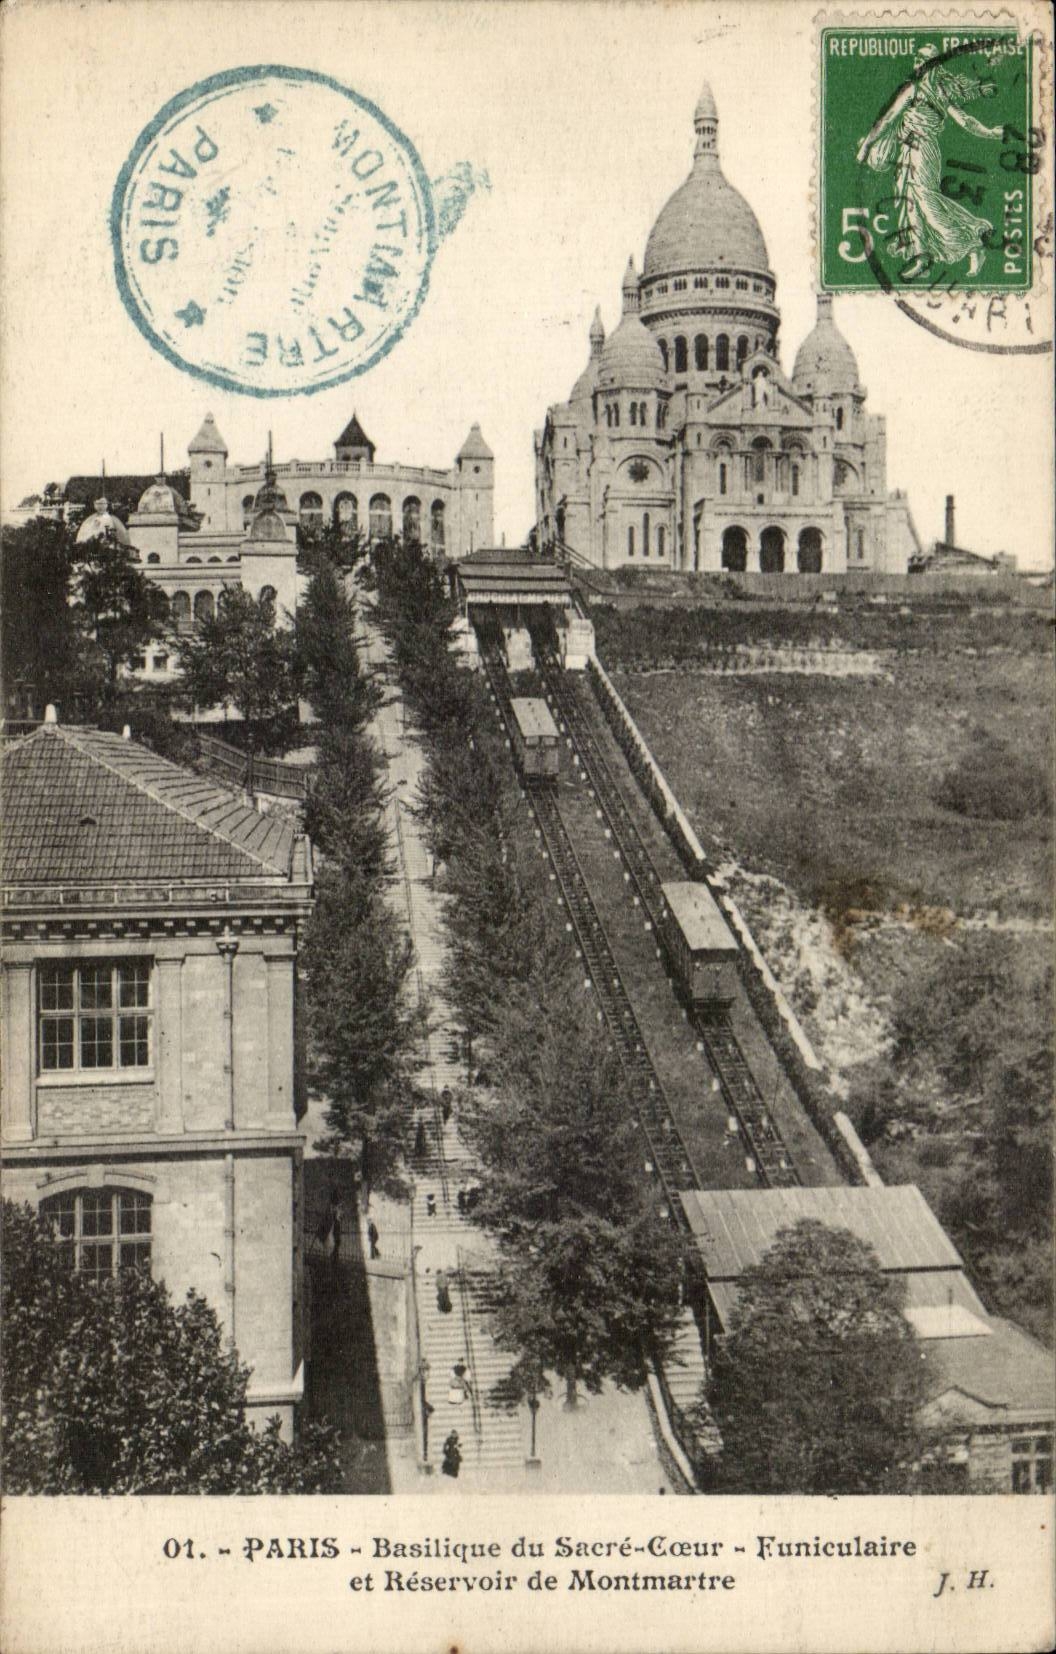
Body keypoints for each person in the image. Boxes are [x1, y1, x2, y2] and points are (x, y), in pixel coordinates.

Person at [856, 45, 1004, 280]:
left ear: (934, 63)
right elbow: (887, 118)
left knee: (925, 199)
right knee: (911, 200)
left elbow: (965, 121)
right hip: (907, 148)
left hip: (923, 148)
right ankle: (921, 255)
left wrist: (991, 133)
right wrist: (866, 145)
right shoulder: (915, 88)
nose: (917, 62)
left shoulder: (934, 91)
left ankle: (973, 239)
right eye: (916, 58)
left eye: (922, 58)